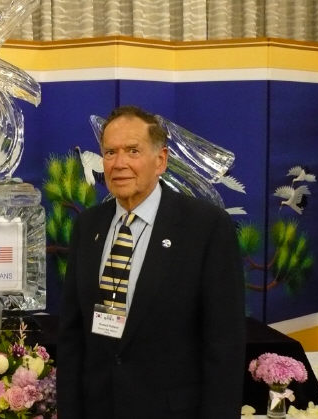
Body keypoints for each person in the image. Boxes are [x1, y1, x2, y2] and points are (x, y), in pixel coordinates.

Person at [57, 105, 245, 419]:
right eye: (110, 152)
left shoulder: (206, 227)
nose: (119, 164)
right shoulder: (88, 226)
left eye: (133, 151)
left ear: (161, 160)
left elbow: (224, 344)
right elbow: (72, 335)